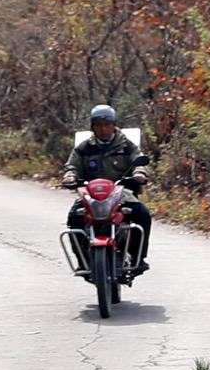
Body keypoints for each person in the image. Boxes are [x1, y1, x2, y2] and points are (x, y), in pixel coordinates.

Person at [64, 104, 152, 277]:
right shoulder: (83, 148)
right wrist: (70, 176)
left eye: (107, 124)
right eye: (99, 125)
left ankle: (138, 258)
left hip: (122, 193)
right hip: (91, 193)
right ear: (93, 127)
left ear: (114, 125)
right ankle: (83, 261)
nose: (103, 129)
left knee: (142, 214)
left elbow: (139, 161)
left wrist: (140, 173)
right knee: (74, 217)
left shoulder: (127, 145)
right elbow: (72, 166)